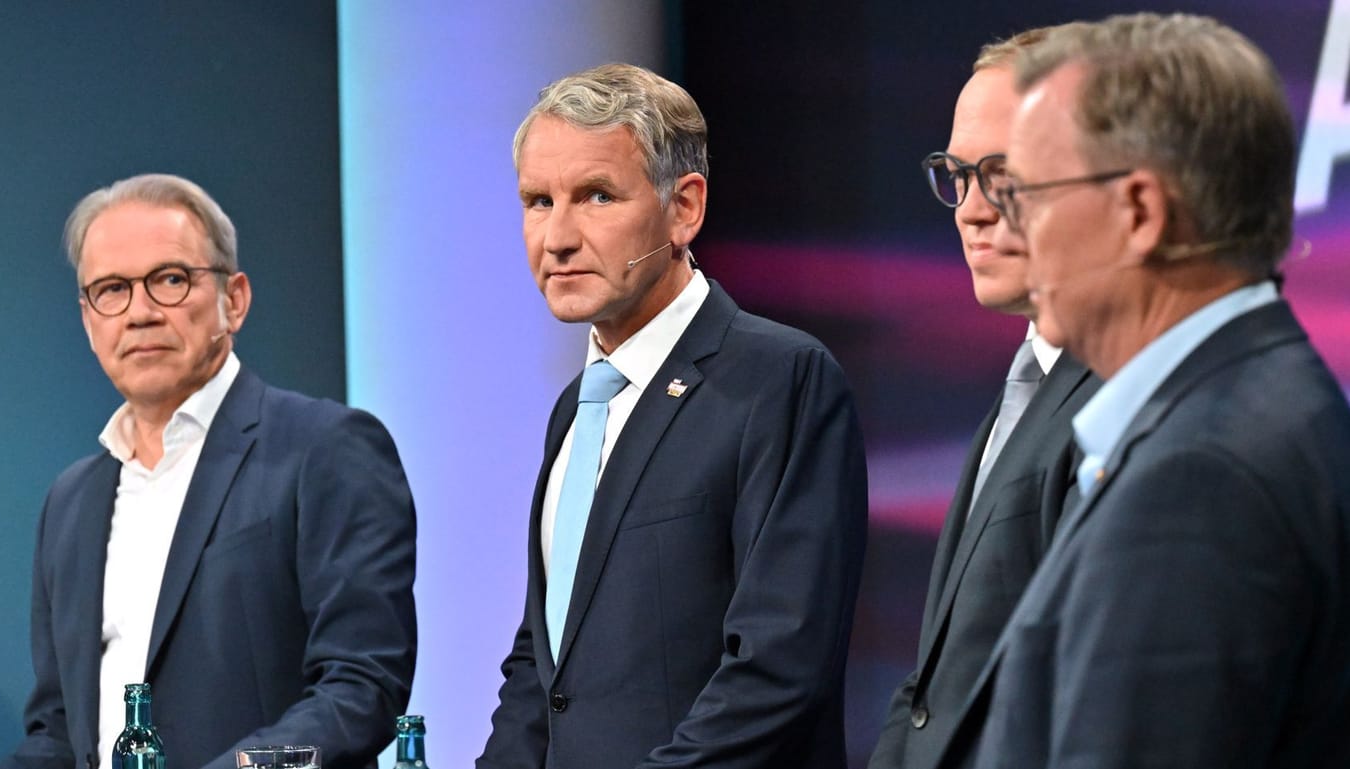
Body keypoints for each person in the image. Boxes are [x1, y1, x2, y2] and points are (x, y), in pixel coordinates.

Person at [937, 13, 1350, 768]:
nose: (999, 221)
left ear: (1139, 212)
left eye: (1024, 189)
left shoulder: (1202, 476)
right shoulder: (1259, 399)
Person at [477, 63, 868, 768]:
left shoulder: (780, 379)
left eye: (596, 196)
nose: (557, 237)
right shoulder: (577, 407)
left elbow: (776, 670)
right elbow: (545, 663)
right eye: (538, 201)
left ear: (684, 207)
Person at [0, 174, 418, 769]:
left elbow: (361, 688)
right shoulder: (70, 502)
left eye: (170, 280)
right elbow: (58, 731)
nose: (140, 312)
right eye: (111, 289)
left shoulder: (325, 449)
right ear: (89, 320)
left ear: (235, 299)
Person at [868, 26, 1099, 769]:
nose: (968, 209)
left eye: (1000, 173)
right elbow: (936, 681)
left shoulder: (1125, 399)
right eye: (956, 173)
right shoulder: (1025, 381)